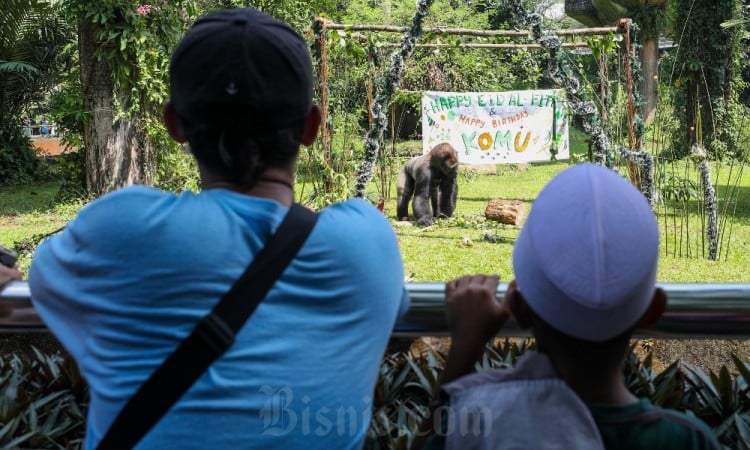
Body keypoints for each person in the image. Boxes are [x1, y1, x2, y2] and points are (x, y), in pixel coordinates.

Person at [29, 8, 408, 449]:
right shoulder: (368, 240)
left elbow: (41, 280)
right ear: (311, 126)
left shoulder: (120, 229)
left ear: (175, 124)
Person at [417, 164, 721, 450]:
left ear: (518, 308)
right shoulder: (687, 441)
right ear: (653, 311)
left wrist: (465, 348)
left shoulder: (483, 427)